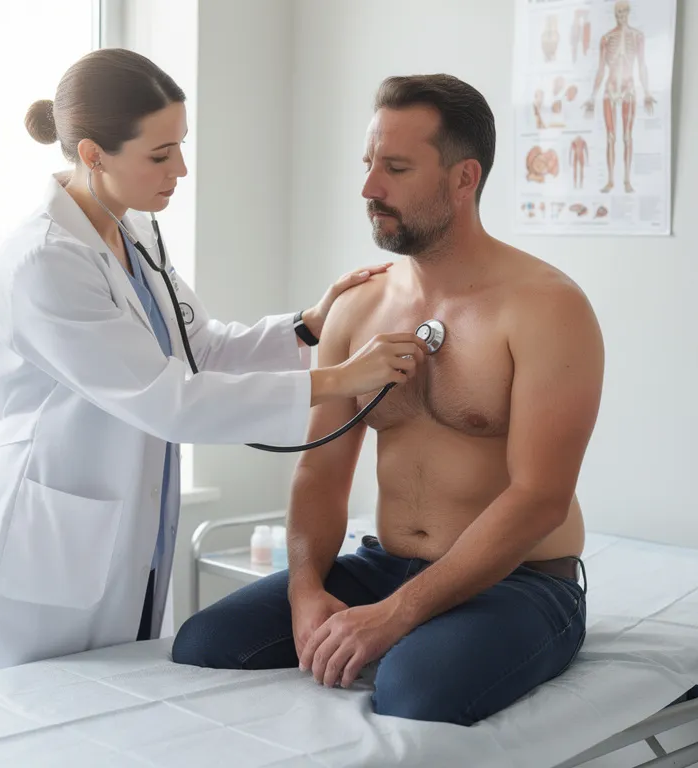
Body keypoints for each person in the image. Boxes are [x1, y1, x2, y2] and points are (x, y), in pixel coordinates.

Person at [0, 48, 428, 679]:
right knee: (28, 721)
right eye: (159, 154)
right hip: (55, 529)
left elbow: (198, 348)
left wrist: (307, 325)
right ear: (93, 154)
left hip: (125, 525)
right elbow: (168, 398)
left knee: (120, 705)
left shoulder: (132, 230)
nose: (180, 168)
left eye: (180, 145)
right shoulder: (46, 259)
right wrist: (340, 379)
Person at [173, 74, 605, 726]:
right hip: (385, 564)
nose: (369, 187)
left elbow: (539, 497)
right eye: (369, 163)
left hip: (519, 580)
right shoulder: (359, 304)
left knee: (412, 691)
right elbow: (319, 470)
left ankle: (417, 636)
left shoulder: (546, 307)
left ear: (464, 179)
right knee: (204, 643)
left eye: (396, 167)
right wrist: (305, 592)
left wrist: (397, 615)